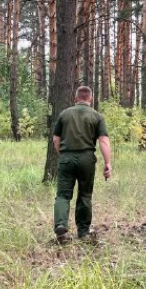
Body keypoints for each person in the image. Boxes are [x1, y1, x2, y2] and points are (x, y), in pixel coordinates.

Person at [52, 86, 112, 242]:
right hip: (86, 159)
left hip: (66, 158)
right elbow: (104, 141)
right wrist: (108, 163)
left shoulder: (64, 114)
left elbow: (56, 139)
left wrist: (63, 154)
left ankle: (61, 228)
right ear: (90, 99)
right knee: (85, 195)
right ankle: (83, 232)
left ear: (76, 98)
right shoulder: (96, 116)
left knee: (63, 195)